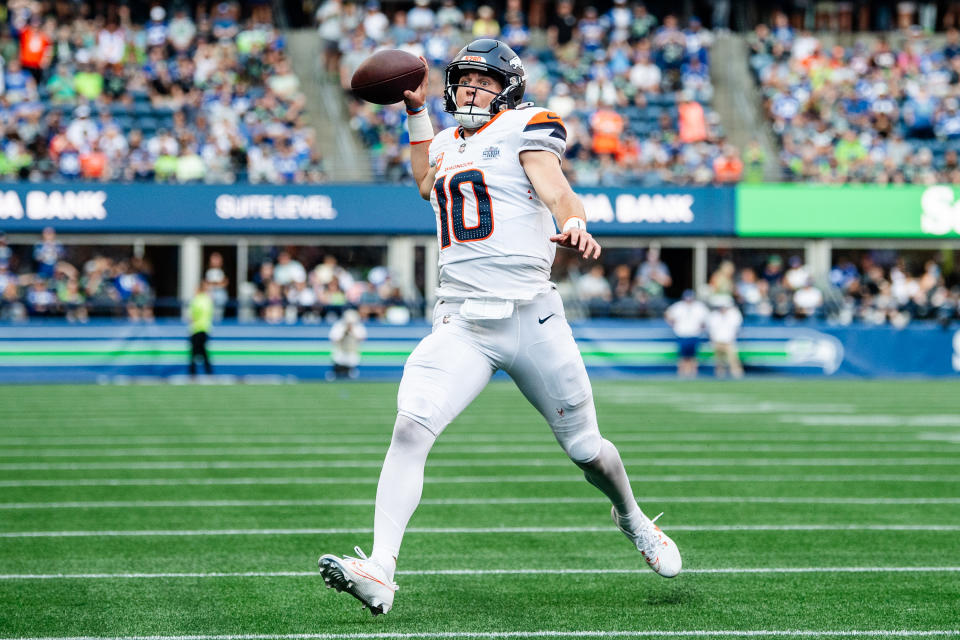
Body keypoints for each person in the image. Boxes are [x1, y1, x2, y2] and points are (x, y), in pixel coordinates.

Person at [318, 39, 681, 617]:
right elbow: (423, 183)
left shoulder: (525, 127)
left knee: (587, 450)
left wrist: (575, 222)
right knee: (411, 428)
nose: (471, 90)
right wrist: (415, 112)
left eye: (484, 82)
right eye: (464, 81)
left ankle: (633, 518)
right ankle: (380, 569)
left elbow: (556, 188)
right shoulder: (443, 142)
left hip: (531, 314)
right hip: (462, 320)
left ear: (507, 87)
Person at [665, 289, 708, 378]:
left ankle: (693, 374)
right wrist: (672, 324)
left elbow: (706, 318)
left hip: (694, 334)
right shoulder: (678, 306)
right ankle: (682, 374)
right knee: (682, 356)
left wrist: (702, 327)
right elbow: (668, 314)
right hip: (682, 334)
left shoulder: (699, 307)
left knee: (693, 357)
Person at [706, 295, 744, 379]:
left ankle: (737, 376)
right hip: (717, 341)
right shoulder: (713, 315)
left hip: (729, 341)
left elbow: (737, 327)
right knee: (719, 361)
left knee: (733, 360)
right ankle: (720, 376)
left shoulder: (734, 314)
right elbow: (710, 329)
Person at [327, 308, 367, 379]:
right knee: (337, 357)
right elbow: (334, 339)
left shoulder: (358, 326)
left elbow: (361, 339)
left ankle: (350, 371)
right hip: (341, 350)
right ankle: (337, 372)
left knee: (353, 360)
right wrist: (344, 332)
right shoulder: (338, 325)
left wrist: (352, 331)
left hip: (352, 351)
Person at [188, 280, 214, 376]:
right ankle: (208, 371)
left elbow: (193, 316)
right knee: (203, 351)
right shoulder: (208, 300)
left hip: (196, 328)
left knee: (195, 352)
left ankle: (193, 372)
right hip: (205, 328)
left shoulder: (197, 300)